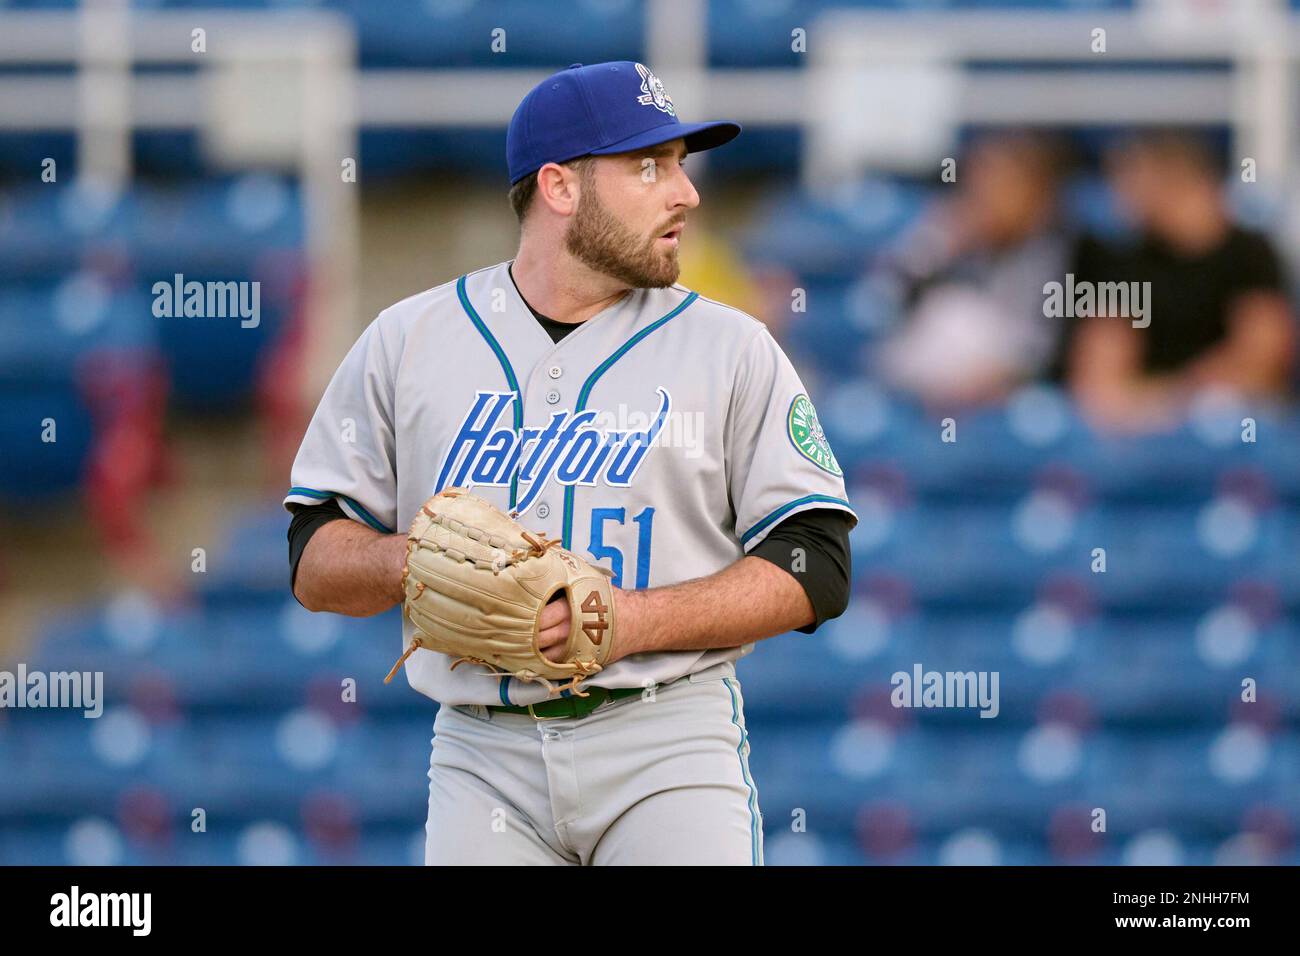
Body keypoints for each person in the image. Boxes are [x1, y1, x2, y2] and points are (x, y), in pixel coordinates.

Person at [283, 62, 857, 865]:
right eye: (649, 167)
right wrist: (417, 561)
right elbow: (312, 558)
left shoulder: (731, 349)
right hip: (481, 754)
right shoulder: (408, 340)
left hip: (667, 740)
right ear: (559, 187)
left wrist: (629, 622)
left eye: (682, 165)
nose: (686, 193)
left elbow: (817, 564)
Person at [1067, 131, 1295, 432]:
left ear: (1173, 178)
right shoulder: (1124, 261)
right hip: (1145, 429)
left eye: (1128, 177)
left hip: (1233, 424)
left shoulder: (1250, 254)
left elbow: (1262, 362)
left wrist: (1172, 398)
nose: (1117, 193)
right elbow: (1097, 376)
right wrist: (1154, 407)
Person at [872, 131, 1074, 406]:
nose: (987, 197)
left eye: (1003, 185)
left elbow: (1037, 350)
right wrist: (937, 241)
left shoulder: (1054, 251)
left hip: (1012, 395)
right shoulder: (950, 237)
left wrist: (991, 381)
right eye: (979, 184)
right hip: (925, 386)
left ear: (1035, 194)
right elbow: (883, 298)